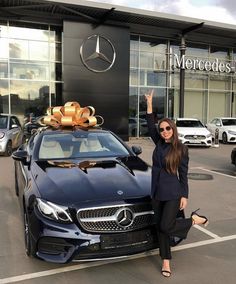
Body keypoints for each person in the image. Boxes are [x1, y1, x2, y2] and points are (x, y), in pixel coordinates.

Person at [145, 89, 208, 278]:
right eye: (162, 129)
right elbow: (150, 125)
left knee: (166, 226)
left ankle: (194, 220)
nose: (164, 132)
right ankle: (166, 261)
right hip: (156, 192)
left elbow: (184, 174)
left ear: (173, 129)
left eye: (167, 128)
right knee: (160, 227)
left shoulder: (181, 149)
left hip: (172, 193)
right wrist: (149, 103)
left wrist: (184, 195)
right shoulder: (159, 143)